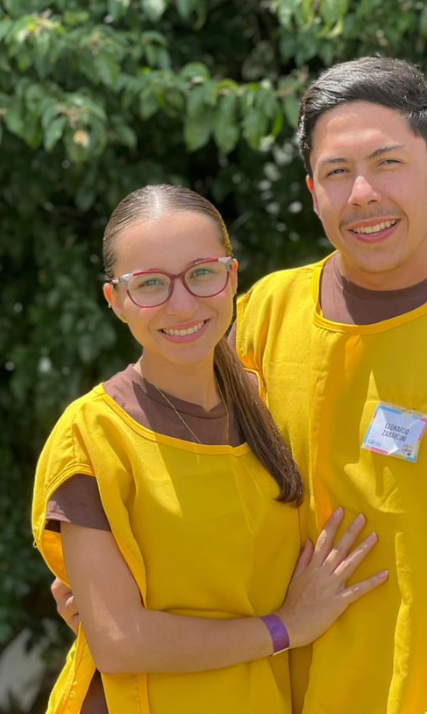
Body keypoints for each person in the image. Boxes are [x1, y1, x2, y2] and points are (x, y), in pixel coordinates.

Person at [55, 57, 427, 714]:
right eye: (337, 172)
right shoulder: (260, 317)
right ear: (312, 192)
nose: (362, 194)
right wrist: (109, 593)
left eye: (388, 164)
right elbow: (189, 495)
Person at [31, 184, 387, 714]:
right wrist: (285, 627)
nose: (182, 304)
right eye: (150, 284)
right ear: (116, 300)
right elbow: (120, 642)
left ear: (232, 277)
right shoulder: (93, 435)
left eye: (201, 273)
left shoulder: (270, 407)